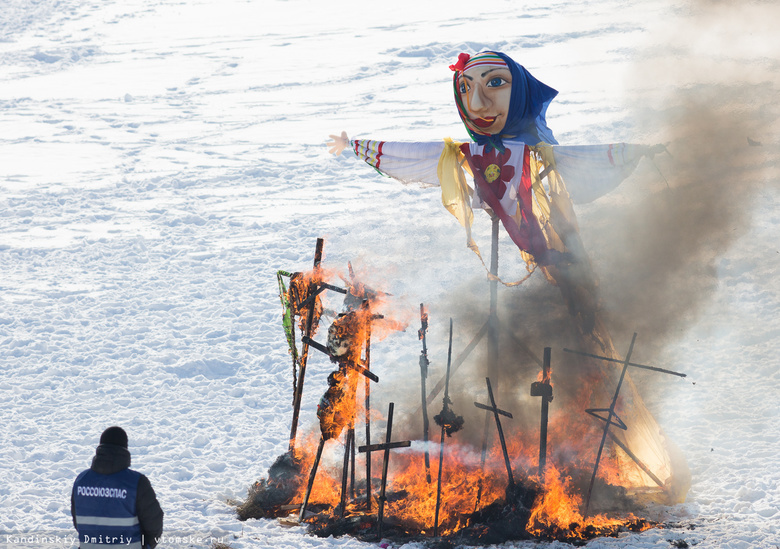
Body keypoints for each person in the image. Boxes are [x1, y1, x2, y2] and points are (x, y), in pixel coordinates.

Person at [71, 426, 164, 549]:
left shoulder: (81, 481)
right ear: (125, 449)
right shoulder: (136, 482)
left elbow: (78, 522)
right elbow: (153, 523)